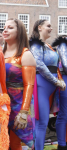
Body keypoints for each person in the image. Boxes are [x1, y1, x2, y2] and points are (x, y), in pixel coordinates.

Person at [29, 19, 66, 150]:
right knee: (42, 123)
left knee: (42, 123)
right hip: (42, 87)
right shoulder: (36, 45)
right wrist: (56, 81)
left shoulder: (47, 46)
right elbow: (38, 64)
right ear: (39, 27)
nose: (51, 28)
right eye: (48, 26)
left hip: (50, 88)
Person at [3, 18, 36, 150]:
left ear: (20, 31)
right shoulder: (0, 52)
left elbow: (29, 85)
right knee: (5, 143)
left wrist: (23, 112)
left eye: (10, 28)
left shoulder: (25, 54)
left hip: (20, 106)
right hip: (3, 106)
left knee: (19, 144)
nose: (5, 30)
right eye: (4, 27)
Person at [52, 36, 67, 150]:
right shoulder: (63, 44)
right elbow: (66, 65)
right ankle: (62, 145)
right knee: (63, 114)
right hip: (64, 80)